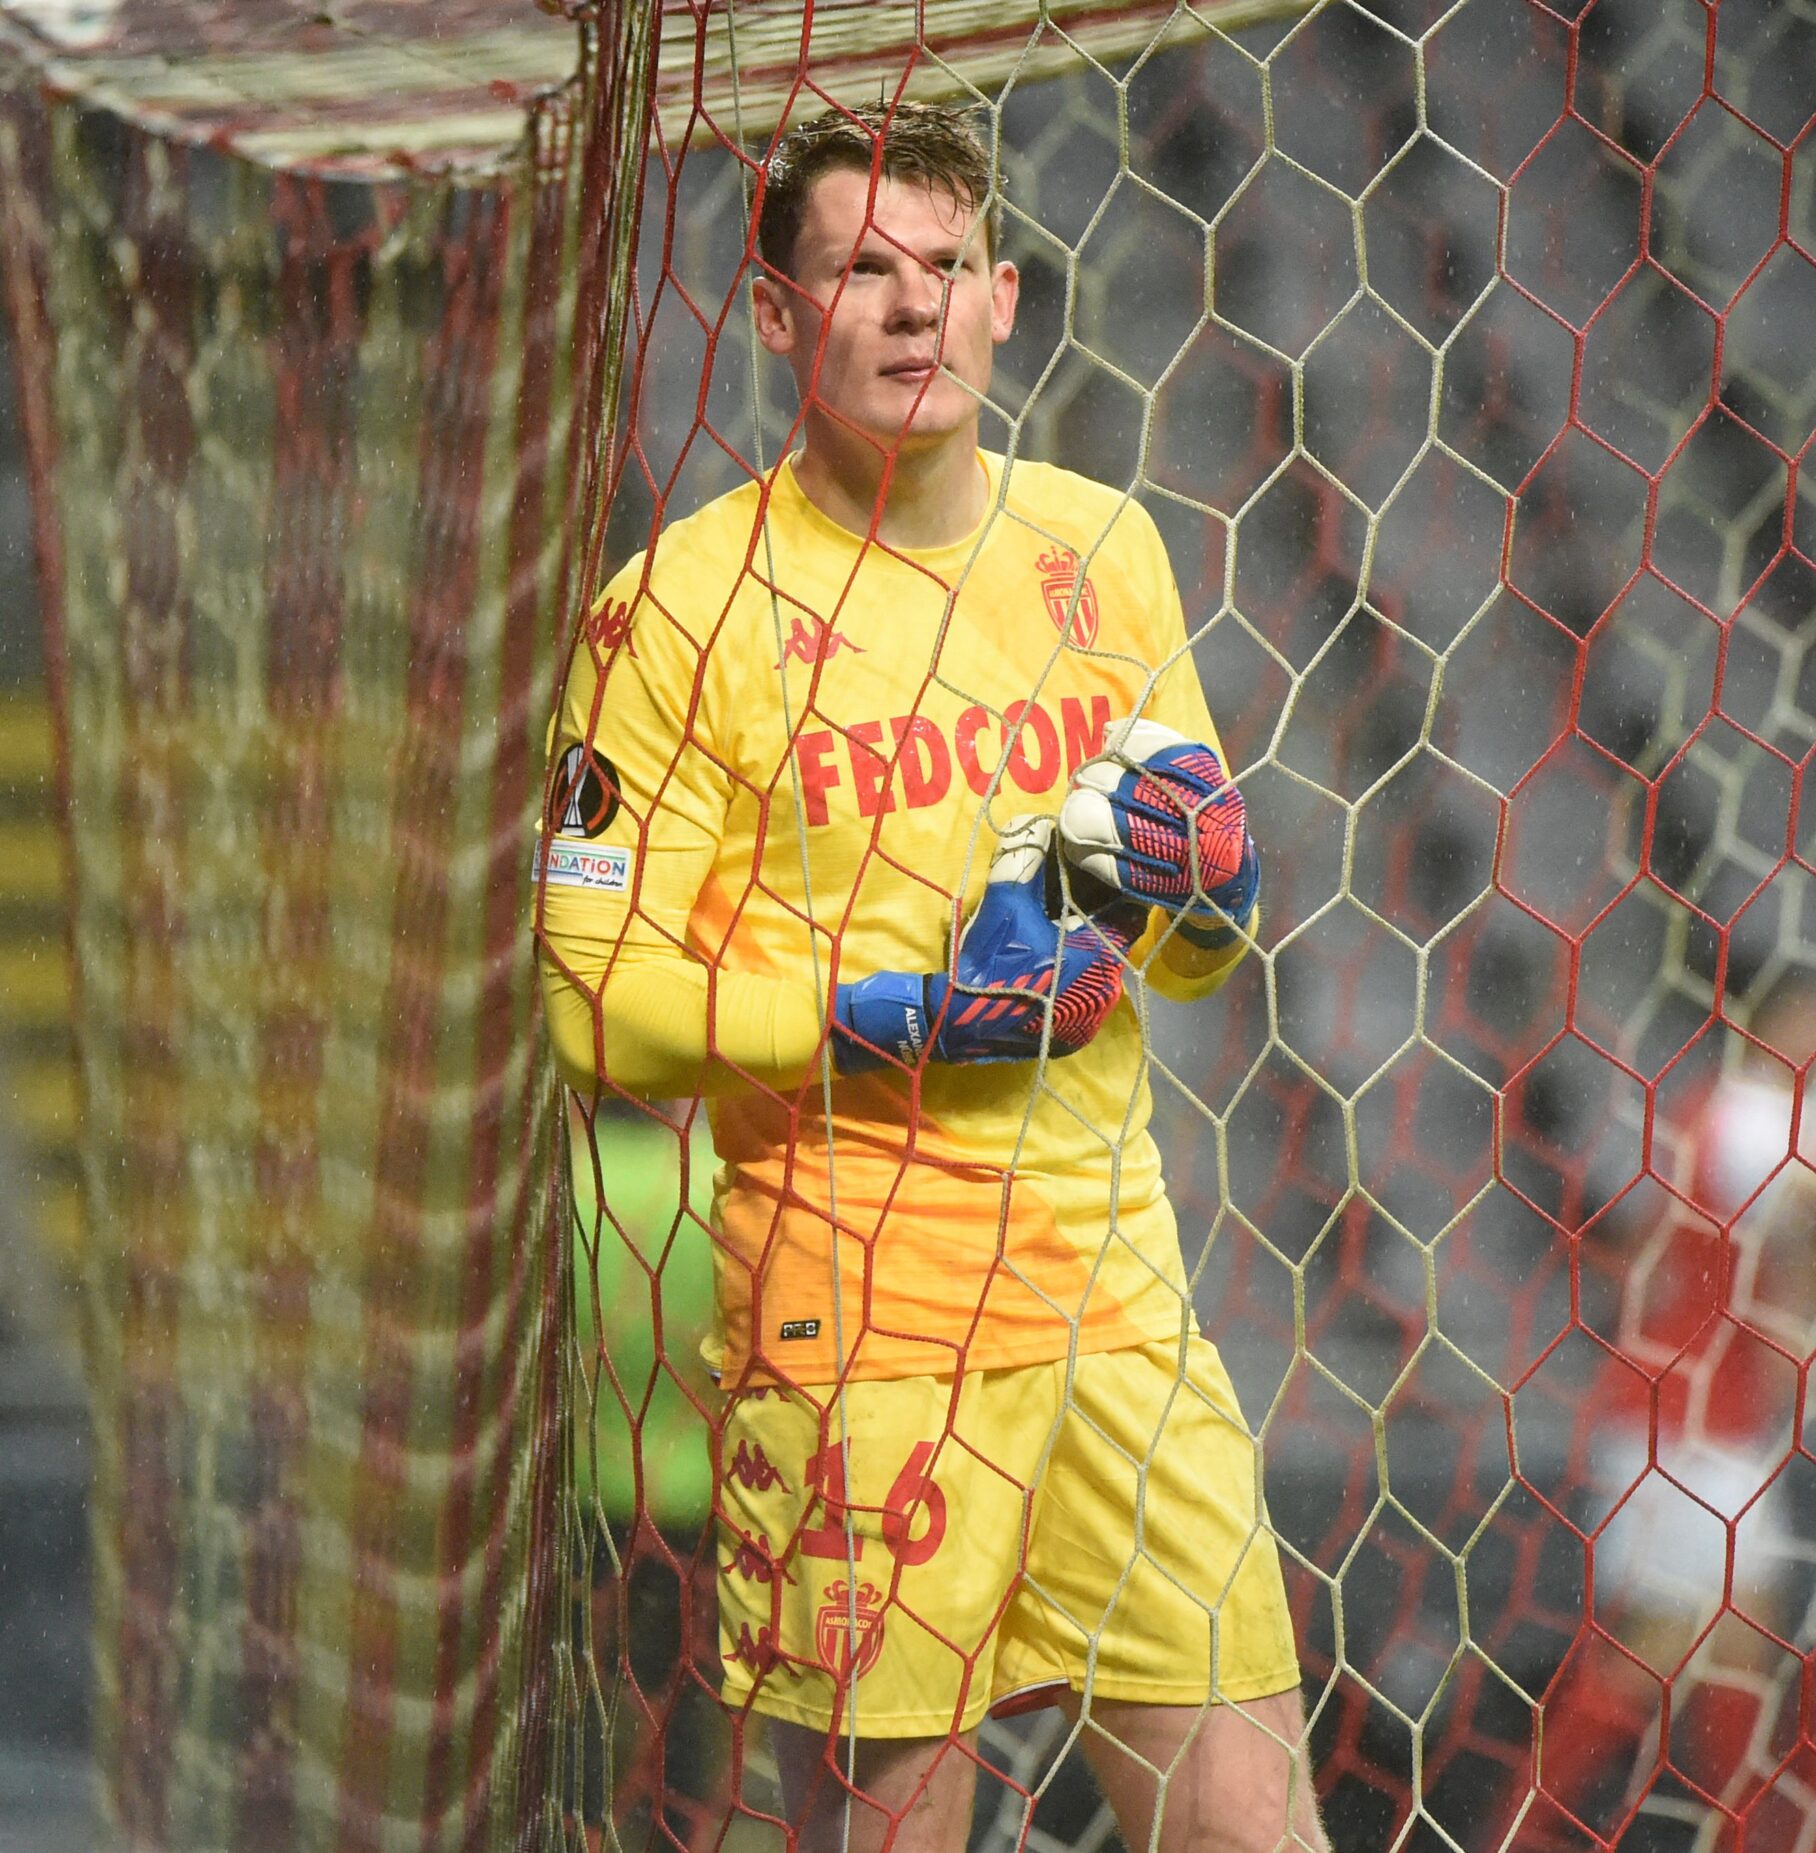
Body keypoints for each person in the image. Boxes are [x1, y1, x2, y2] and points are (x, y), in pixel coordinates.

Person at [534, 102, 1324, 1853]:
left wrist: (1216, 893)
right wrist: (871, 1014)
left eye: (944, 268)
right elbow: (588, 997)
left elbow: (1189, 942)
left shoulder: (1099, 543)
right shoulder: (672, 610)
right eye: (860, 269)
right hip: (861, 1322)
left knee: (1252, 1828)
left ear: (1007, 301)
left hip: (1118, 1297)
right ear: (774, 313)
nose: (909, 306)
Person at [1518, 977, 1816, 1852]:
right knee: (1655, 1652)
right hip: (1677, 1419)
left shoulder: (1728, 1112)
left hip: (1711, 1417)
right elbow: (1802, 1233)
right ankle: (1516, 1828)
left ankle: (1740, 1837)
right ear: (1763, 1018)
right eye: (1812, 1011)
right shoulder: (1752, 1116)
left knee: (1743, 1646)